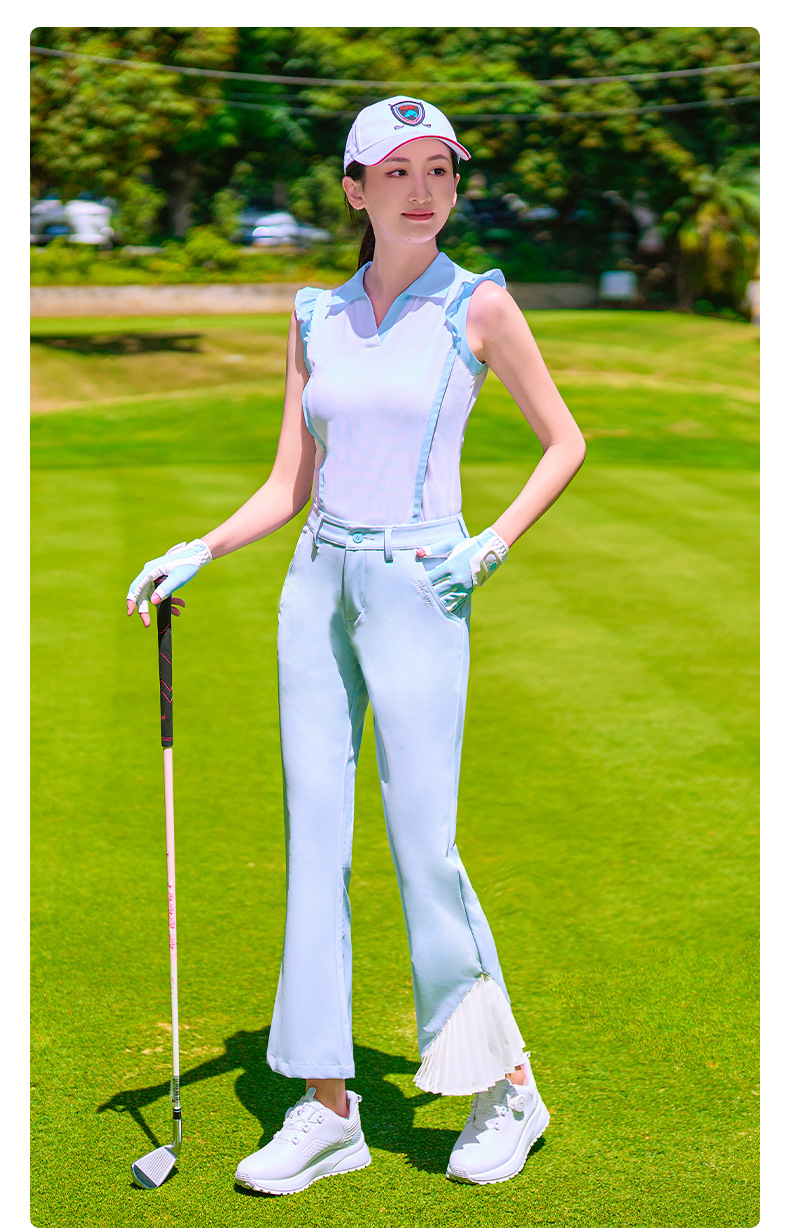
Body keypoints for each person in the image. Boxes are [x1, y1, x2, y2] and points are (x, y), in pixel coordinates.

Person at [126, 95, 586, 1195]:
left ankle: (507, 1086)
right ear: (355, 190)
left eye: (440, 170)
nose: (424, 190)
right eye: (397, 171)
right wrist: (201, 546)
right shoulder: (313, 316)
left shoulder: (479, 304)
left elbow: (564, 440)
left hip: (423, 583)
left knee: (423, 848)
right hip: (316, 584)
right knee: (314, 848)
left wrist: (490, 545)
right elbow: (291, 482)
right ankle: (328, 1107)